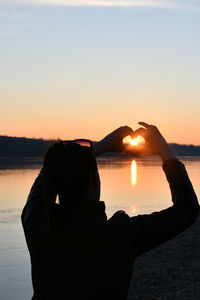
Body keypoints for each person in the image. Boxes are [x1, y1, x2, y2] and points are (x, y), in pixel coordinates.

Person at [21, 122, 199, 300]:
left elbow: (45, 177)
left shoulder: (38, 225)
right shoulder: (120, 234)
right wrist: (164, 152)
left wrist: (96, 149)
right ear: (94, 182)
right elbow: (187, 209)